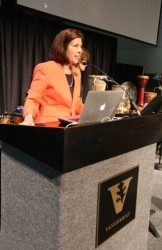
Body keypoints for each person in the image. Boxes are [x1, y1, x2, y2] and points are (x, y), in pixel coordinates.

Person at [20, 28, 84, 126]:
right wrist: (28, 118)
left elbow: (76, 103)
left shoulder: (76, 72)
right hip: (49, 125)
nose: (80, 50)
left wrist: (94, 112)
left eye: (80, 46)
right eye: (75, 46)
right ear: (63, 47)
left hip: (70, 126)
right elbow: (33, 98)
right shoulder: (45, 68)